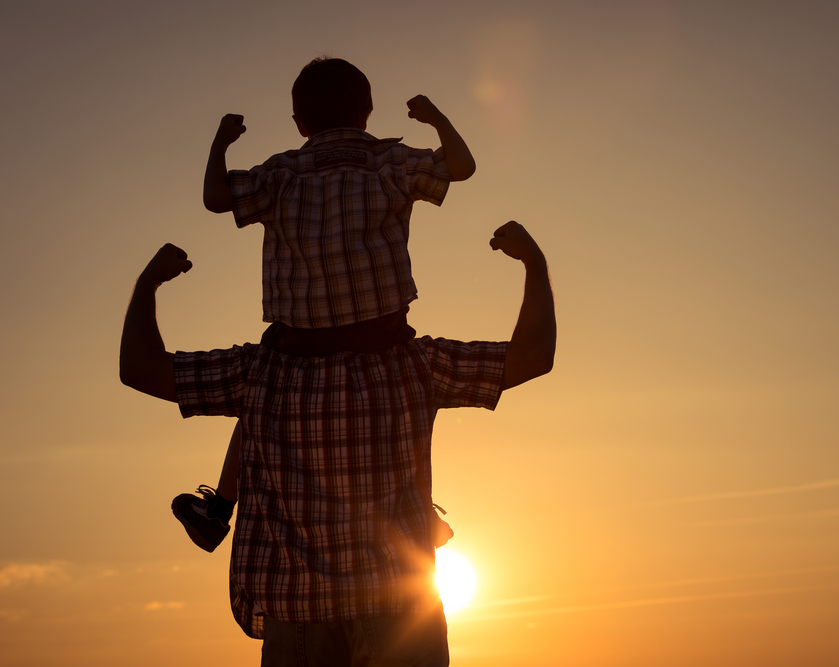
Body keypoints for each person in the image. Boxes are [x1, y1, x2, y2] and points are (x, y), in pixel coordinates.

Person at [120, 221, 555, 664]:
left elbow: (140, 368)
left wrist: (148, 283)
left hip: (297, 611)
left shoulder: (262, 372)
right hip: (400, 607)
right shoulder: (417, 365)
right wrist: (534, 264)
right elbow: (533, 355)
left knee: (253, 420)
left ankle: (217, 511)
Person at [174, 56, 477, 552]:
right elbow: (462, 168)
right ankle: (419, 509)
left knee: (255, 402)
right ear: (368, 112)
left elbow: (214, 197)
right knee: (414, 391)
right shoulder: (390, 161)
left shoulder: (281, 173)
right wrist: (437, 118)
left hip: (299, 345)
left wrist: (220, 144)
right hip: (383, 334)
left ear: (299, 123)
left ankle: (218, 511)